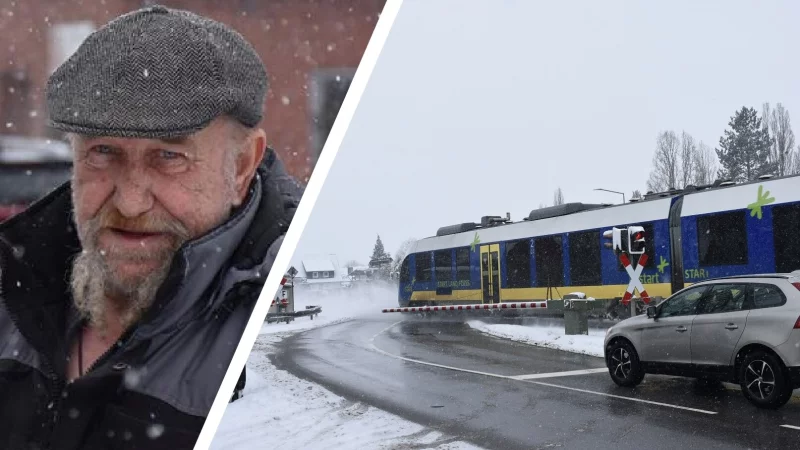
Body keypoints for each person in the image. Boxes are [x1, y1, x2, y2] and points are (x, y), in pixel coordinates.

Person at [0, 5, 303, 449]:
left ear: (240, 167)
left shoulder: (258, 312)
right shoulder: (14, 280)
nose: (130, 200)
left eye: (169, 157)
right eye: (103, 152)